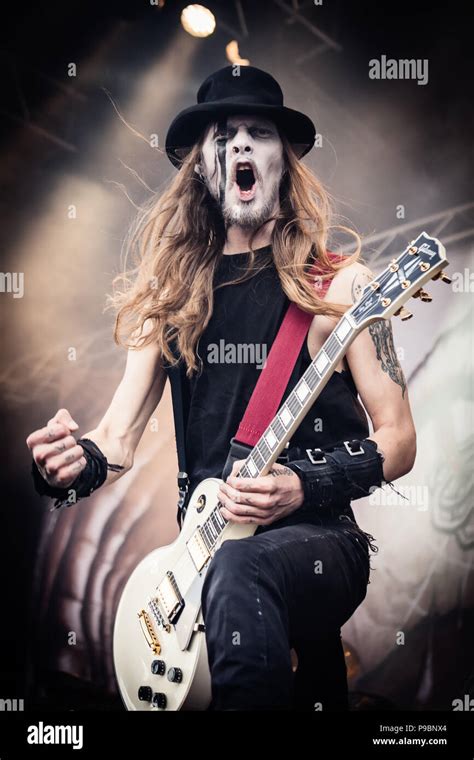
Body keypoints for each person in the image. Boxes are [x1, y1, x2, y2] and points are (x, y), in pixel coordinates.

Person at [26, 66, 417, 710]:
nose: (238, 145)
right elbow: (115, 438)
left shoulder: (340, 288)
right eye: (222, 136)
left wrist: (300, 484)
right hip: (204, 565)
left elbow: (398, 442)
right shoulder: (172, 300)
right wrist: (68, 465)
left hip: (322, 543)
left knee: (245, 569)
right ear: (202, 168)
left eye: (258, 133)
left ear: (282, 161)